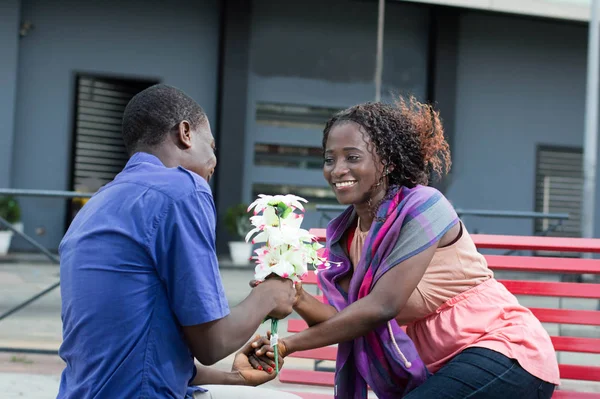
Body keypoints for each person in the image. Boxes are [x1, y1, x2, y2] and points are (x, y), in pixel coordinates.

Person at [252, 96, 560, 398]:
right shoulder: (344, 234)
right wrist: (296, 296)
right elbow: (347, 319)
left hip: (505, 352)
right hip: (441, 372)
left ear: (388, 163)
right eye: (330, 159)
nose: (337, 170)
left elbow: (380, 308)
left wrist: (288, 345)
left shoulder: (424, 207)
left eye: (352, 157)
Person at [57, 84, 300, 398]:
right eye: (211, 146)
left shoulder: (99, 205)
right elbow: (213, 344)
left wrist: (237, 379)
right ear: (185, 133)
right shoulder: (183, 188)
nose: (213, 162)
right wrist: (270, 294)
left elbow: (137, 357)